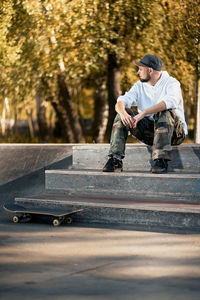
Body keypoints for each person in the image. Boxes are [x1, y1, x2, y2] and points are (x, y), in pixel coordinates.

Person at [103, 54, 188, 174]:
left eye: (140, 69)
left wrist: (144, 113)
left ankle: (161, 160)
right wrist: (123, 113)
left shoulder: (172, 83)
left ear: (150, 70)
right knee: (124, 112)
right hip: (151, 134)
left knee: (163, 111)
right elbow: (122, 101)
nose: (138, 72)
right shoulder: (139, 86)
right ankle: (115, 160)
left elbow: (170, 102)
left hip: (174, 133)